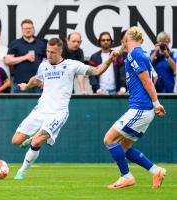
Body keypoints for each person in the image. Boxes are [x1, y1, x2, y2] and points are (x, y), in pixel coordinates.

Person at [11, 37, 117, 180]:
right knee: (15, 140)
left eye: (53, 52)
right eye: (48, 51)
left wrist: (110, 59)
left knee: (36, 142)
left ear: (60, 51)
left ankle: (22, 171)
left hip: (58, 113)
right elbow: (36, 79)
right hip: (40, 110)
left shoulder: (72, 65)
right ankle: (33, 136)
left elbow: (97, 71)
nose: (49, 55)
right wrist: (26, 86)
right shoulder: (44, 65)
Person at [104, 26, 166, 189]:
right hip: (144, 109)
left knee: (109, 139)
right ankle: (156, 171)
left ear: (127, 38)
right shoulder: (142, 54)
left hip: (140, 108)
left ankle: (126, 176)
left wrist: (156, 104)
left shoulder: (134, 55)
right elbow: (155, 76)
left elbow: (147, 81)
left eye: (124, 39)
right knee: (123, 147)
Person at [4, 19, 46, 93]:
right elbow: (7, 60)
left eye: (30, 28)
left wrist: (45, 78)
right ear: (22, 30)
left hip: (38, 84)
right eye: (26, 28)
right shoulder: (15, 43)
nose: (28, 30)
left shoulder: (41, 43)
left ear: (33, 29)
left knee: (39, 104)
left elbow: (47, 61)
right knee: (20, 104)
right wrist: (25, 57)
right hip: (20, 84)